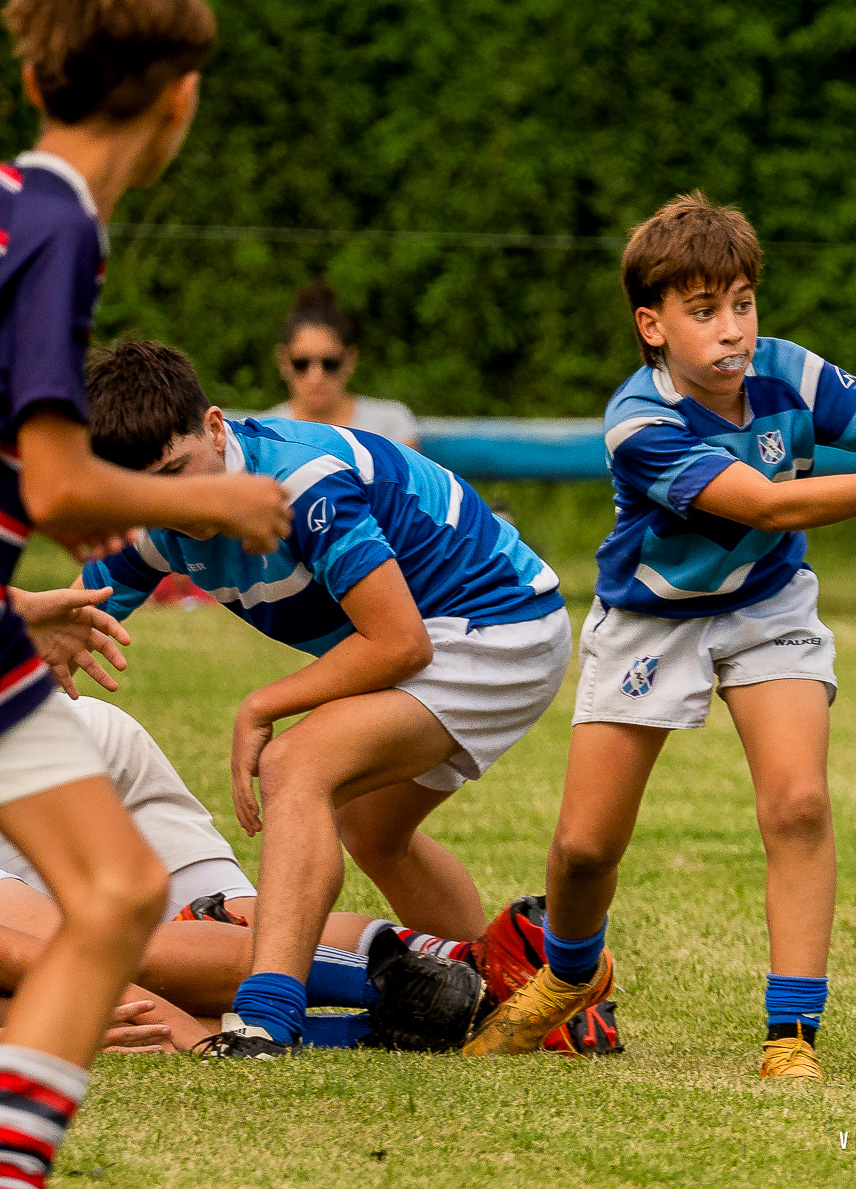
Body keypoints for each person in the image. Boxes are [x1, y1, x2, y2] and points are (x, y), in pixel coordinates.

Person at [462, 193, 856, 1079]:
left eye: (743, 302)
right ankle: (571, 973)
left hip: (768, 604)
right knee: (584, 848)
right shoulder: (637, 423)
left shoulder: (791, 373)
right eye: (704, 310)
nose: (733, 329)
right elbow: (766, 502)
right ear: (652, 325)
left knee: (797, 804)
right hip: (653, 620)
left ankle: (790, 1034)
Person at [77, 337, 570, 1058]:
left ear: (215, 427)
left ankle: (265, 1021)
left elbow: (400, 642)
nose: (179, 505)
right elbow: (64, 634)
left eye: (182, 471)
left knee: (297, 766)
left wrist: (261, 705)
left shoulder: (303, 483)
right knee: (373, 833)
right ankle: (516, 998)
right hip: (438, 633)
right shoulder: (153, 525)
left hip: (495, 623)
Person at [0, 1, 292, 1178]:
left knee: (118, 890)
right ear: (183, 97)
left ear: (34, 78)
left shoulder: (16, 200)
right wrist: (212, 501)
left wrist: (22, 611)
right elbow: (65, 486)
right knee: (114, 891)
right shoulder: (65, 226)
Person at [269, 281, 421, 448]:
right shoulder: (262, 433)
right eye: (301, 363)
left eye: (330, 363)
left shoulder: (390, 423)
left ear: (350, 359)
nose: (315, 377)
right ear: (283, 360)